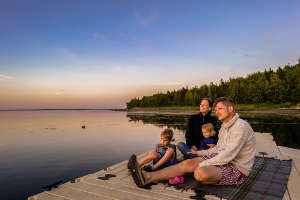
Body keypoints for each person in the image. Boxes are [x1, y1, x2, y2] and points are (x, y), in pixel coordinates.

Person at [128, 97, 256, 187]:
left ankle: (207, 174)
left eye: (220, 108)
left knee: (199, 173)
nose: (217, 111)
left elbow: (229, 155)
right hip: (219, 157)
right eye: (216, 109)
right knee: (188, 162)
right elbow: (218, 149)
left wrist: (203, 163)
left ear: (231, 108)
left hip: (236, 168)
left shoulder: (240, 126)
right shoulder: (224, 126)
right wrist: (198, 153)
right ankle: (147, 177)